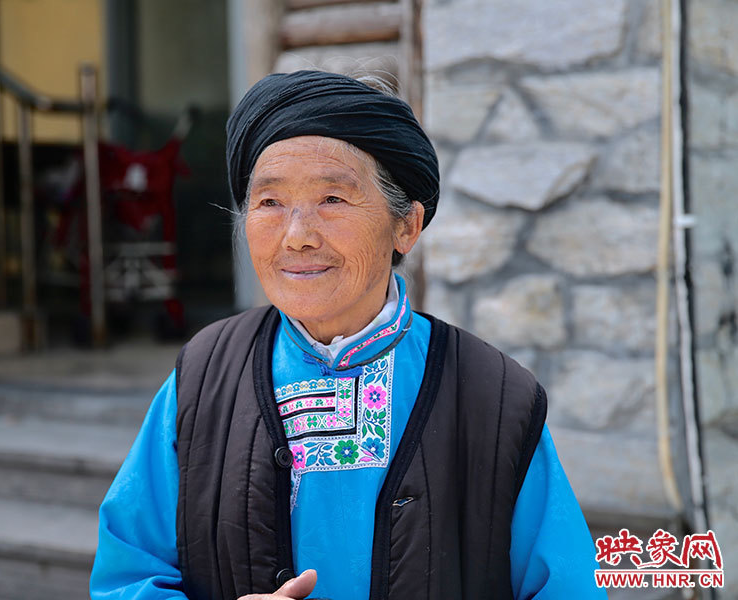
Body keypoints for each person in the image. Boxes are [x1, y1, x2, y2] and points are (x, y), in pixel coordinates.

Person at [90, 70, 604, 600]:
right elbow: (127, 574)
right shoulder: (204, 376)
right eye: (269, 203)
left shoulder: (494, 397)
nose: (298, 235)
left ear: (406, 226)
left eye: (332, 198)